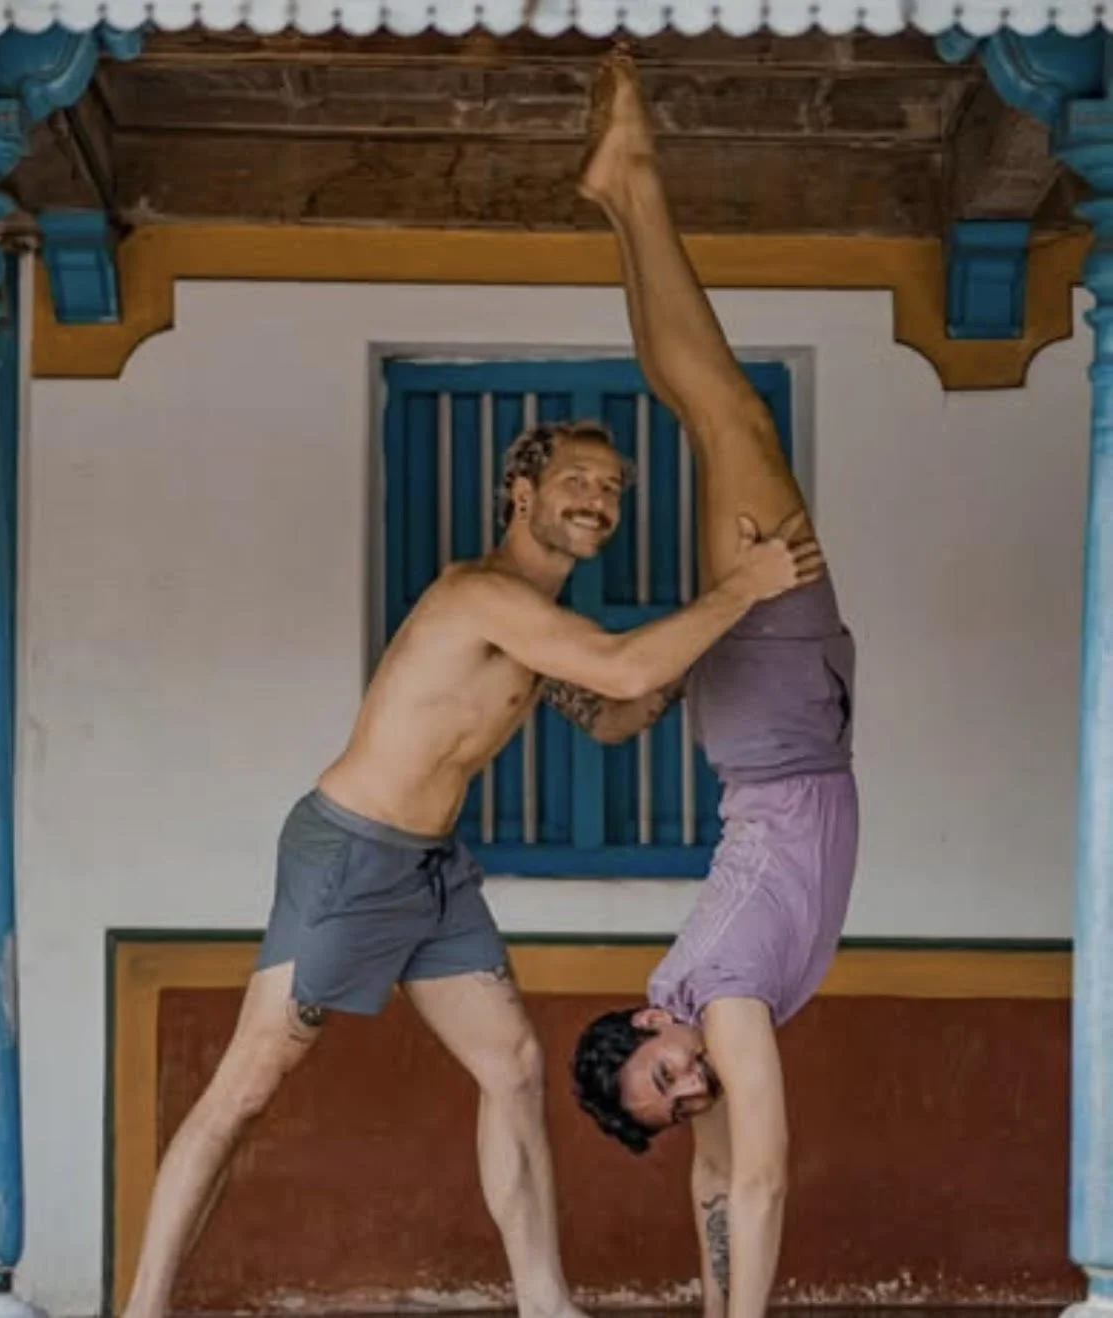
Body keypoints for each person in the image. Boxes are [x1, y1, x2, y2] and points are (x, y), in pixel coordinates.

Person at [121, 407, 823, 1318]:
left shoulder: (537, 624)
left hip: (431, 871)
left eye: (612, 488)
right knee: (245, 1088)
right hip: (350, 855)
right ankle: (140, 1308)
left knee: (514, 1065)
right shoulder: (479, 594)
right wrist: (743, 588)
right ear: (519, 492)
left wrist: (710, 650)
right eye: (578, 479)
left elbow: (614, 714)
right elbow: (615, 671)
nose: (599, 499)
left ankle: (543, 1304)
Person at [569, 50, 859, 1318]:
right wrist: (709, 1299)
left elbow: (769, 1179)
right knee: (707, 413)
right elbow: (713, 1181)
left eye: (668, 1073)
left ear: (652, 1017)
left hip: (782, 720)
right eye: (679, 1097)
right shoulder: (697, 1012)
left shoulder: (726, 996)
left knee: (729, 408)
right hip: (762, 732)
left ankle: (635, 181)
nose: (693, 1089)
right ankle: (625, 192)